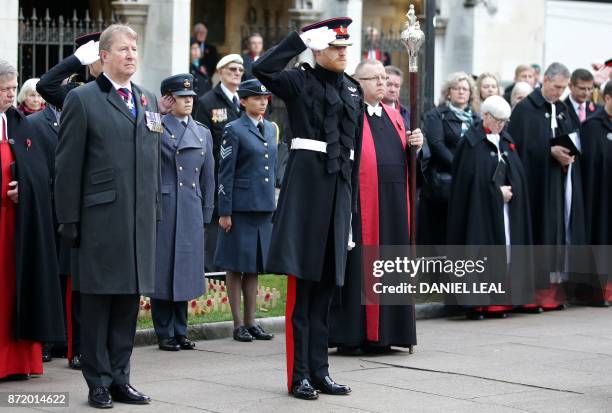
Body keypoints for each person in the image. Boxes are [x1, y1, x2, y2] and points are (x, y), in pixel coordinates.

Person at [55, 24, 170, 408]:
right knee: (97, 308)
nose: (131, 54)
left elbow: (153, 162)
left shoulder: (148, 100)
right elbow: (68, 164)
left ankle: (121, 378)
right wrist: (68, 220)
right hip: (100, 222)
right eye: (123, 49)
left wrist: (154, 209)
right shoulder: (83, 99)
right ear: (103, 56)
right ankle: (98, 382)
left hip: (137, 224)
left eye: (135, 48)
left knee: (126, 306)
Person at [253, 17, 362, 400]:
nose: (343, 53)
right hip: (307, 195)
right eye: (335, 47)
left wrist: (351, 211)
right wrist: (296, 39)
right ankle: (298, 374)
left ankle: (320, 371)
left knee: (325, 292)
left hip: (337, 195)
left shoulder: (352, 89)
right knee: (303, 292)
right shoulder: (299, 81)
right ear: (318, 49)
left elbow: (355, 152)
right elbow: (262, 68)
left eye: (346, 47)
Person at [329, 59, 422, 352]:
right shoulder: (350, 115)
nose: (382, 83)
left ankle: (391, 334)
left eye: (384, 78)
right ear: (357, 82)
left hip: (393, 206)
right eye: (375, 78)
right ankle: (355, 335)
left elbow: (406, 163)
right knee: (362, 267)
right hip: (361, 204)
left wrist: (416, 146)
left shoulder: (395, 117)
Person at [0, 60, 65, 380]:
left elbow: (39, 173)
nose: (11, 95)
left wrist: (23, 188)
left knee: (16, 291)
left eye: (14, 88)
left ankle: (18, 363)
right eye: (5, 90)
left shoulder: (18, 123)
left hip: (16, 225)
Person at [508, 62, 585, 310]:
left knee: (558, 233)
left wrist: (568, 154)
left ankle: (555, 291)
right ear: (546, 81)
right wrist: (548, 150)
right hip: (535, 185)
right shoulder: (525, 110)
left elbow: (574, 138)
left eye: (563, 88)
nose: (558, 93)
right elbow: (519, 148)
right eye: (556, 87)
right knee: (539, 231)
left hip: (560, 184)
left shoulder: (562, 109)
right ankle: (535, 294)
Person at [448, 95, 534, 319]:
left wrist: (512, 189)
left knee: (505, 252)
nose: (501, 125)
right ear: (485, 115)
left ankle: (502, 301)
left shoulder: (506, 140)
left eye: (505, 121)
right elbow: (467, 184)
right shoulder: (471, 143)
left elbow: (518, 174)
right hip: (480, 216)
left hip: (506, 212)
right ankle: (478, 303)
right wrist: (495, 194)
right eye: (497, 120)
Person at [151, 73, 214, 352]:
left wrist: (207, 210)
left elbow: (209, 176)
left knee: (186, 269)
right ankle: (164, 331)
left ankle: (180, 329)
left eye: (190, 97)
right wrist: (157, 113)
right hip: (164, 205)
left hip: (190, 204)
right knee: (163, 268)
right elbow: (139, 138)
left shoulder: (202, 132)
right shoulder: (156, 125)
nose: (187, 102)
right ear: (169, 99)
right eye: (181, 97)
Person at [214, 78, 277, 342]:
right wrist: (225, 211)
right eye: (255, 98)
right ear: (242, 101)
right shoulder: (233, 129)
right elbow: (225, 172)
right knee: (235, 266)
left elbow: (273, 167)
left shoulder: (271, 129)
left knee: (253, 266)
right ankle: (238, 323)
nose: (262, 102)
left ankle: (252, 322)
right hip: (240, 207)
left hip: (262, 206)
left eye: (265, 99)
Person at [27, 81, 83, 369]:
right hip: (47, 210)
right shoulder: (35, 123)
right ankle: (49, 340)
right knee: (49, 277)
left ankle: (73, 345)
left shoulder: (85, 118)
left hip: (76, 213)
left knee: (74, 281)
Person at [195, 54, 243, 273]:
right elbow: (201, 141)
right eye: (232, 69)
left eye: (240, 70)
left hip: (241, 175)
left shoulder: (244, 101)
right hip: (217, 174)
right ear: (220, 71)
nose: (237, 73)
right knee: (215, 225)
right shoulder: (207, 102)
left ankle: (233, 269)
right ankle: (213, 274)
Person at [420, 72, 479, 245]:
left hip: (469, 180)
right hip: (444, 180)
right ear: (448, 92)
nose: (461, 92)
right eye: (456, 88)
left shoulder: (476, 118)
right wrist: (460, 167)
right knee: (441, 231)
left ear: (470, 93)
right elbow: (437, 144)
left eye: (465, 89)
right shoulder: (437, 115)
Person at [581, 81, 612, 305]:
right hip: (600, 196)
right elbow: (589, 164)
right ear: (607, 98)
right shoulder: (592, 126)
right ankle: (600, 290)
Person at [37, 32, 102, 108]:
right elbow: (45, 86)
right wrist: (77, 59)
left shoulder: (118, 88)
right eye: (99, 55)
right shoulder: (81, 92)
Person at [383, 65, 410, 129]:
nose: (393, 90)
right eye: (388, 85)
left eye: (397, 86)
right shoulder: (372, 110)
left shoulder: (404, 112)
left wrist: (420, 138)